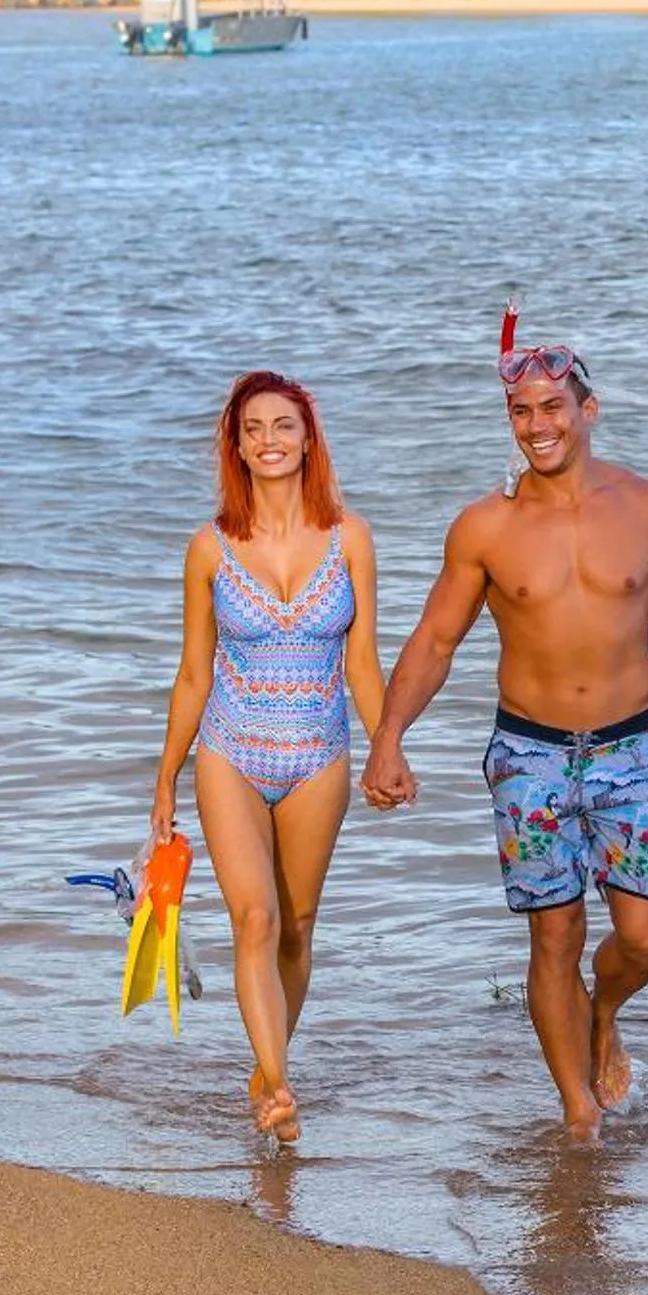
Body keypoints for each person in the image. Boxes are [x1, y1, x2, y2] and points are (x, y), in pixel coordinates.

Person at [362, 333, 648, 1142]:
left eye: (552, 407)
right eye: (520, 411)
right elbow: (435, 640)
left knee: (644, 940)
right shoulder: (483, 527)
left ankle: (602, 1011)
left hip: (634, 750)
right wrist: (388, 738)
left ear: (589, 409)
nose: (536, 425)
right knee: (555, 932)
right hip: (529, 754)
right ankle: (580, 1114)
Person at [154, 370, 385, 1145]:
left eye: (282, 425)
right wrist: (163, 781)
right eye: (253, 429)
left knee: (297, 925)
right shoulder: (209, 550)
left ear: (308, 437)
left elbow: (362, 664)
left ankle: (265, 1061)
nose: (269, 441)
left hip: (320, 754)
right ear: (237, 447)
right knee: (253, 918)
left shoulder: (350, 537)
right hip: (230, 752)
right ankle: (279, 1088)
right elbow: (193, 674)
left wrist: (389, 749)